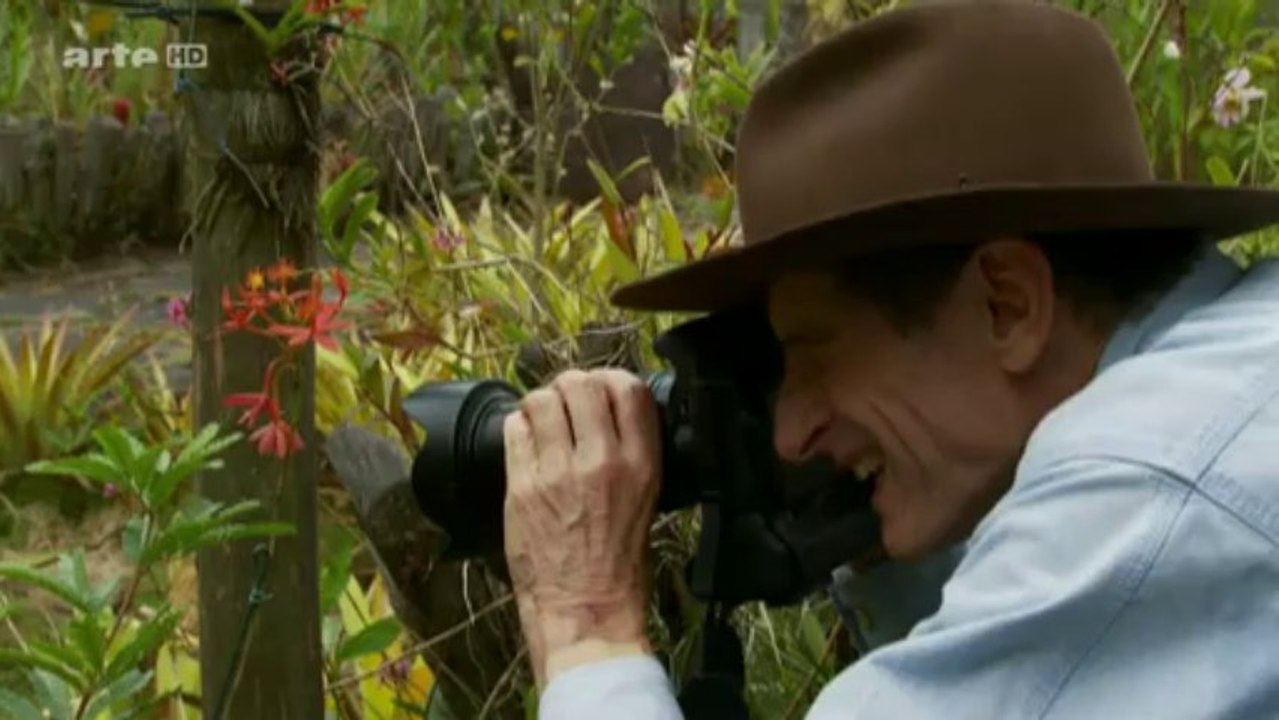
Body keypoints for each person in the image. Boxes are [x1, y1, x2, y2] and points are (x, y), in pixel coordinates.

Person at [500, 1, 1279, 717]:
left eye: (811, 351)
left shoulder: (1146, 486)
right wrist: (888, 533)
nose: (788, 434)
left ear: (1006, 303)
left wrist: (586, 625)